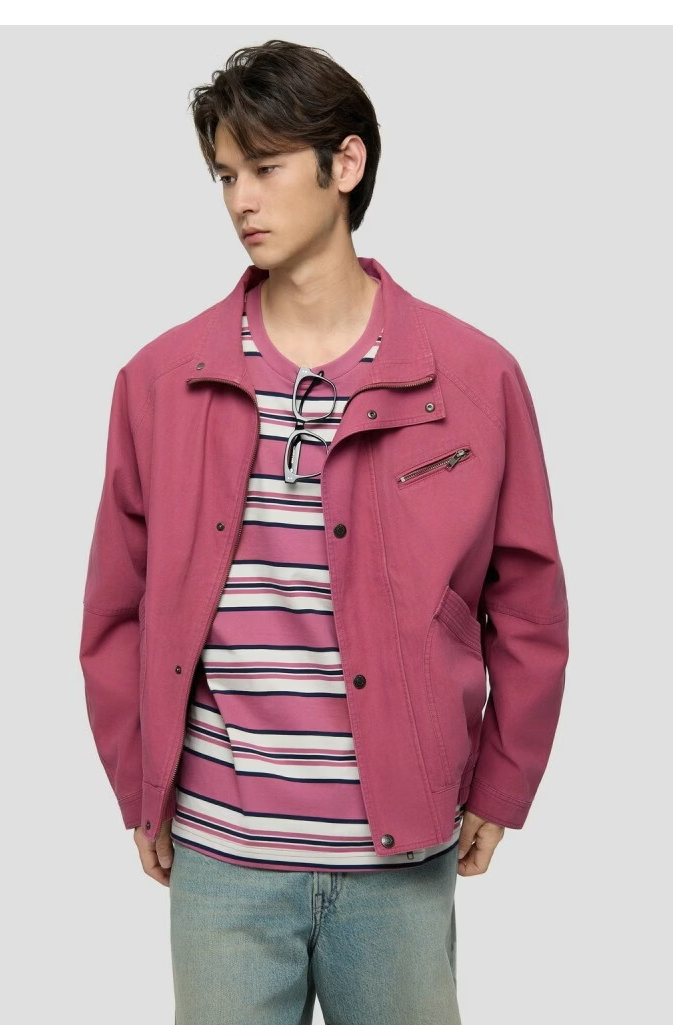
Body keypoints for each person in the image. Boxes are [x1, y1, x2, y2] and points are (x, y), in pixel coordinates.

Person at [79, 38, 569, 1025]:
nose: (240, 201)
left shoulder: (473, 378)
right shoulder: (160, 381)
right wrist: (142, 783)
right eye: (225, 175)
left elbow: (527, 603)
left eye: (264, 168)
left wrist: (503, 781)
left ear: (345, 164)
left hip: (401, 853)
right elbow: (115, 610)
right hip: (222, 855)